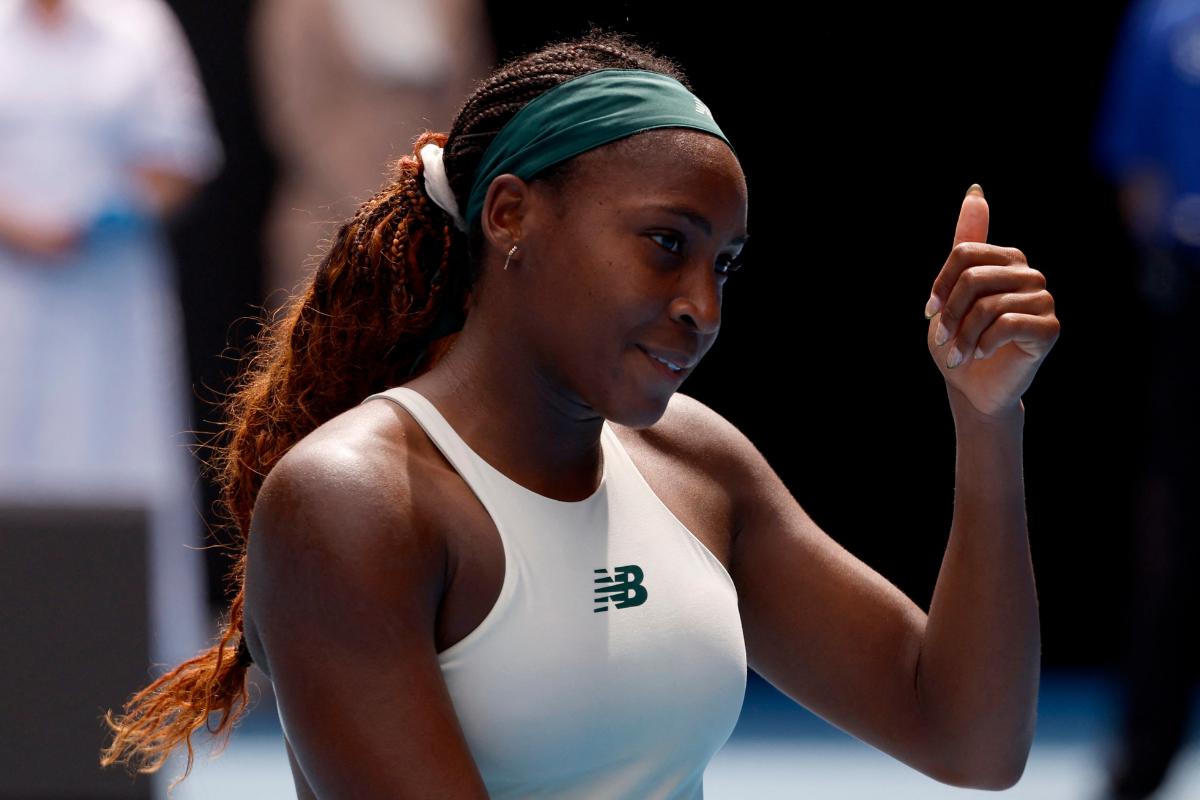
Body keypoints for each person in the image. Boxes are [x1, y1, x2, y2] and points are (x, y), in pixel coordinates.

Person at [99, 28, 1058, 798]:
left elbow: (969, 739)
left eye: (722, 264)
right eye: (665, 244)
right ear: (510, 215)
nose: (702, 306)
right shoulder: (353, 499)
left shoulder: (696, 459)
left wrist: (987, 419)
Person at [0, 0, 221, 669]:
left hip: (110, 293)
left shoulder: (139, 22)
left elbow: (182, 153)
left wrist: (101, 218)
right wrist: (16, 226)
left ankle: (135, 669)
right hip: (9, 285)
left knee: (121, 463)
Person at [1091, 1, 1200, 797]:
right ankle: (1142, 762)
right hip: (1192, 304)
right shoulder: (1163, 21)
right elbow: (1135, 167)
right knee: (1176, 538)